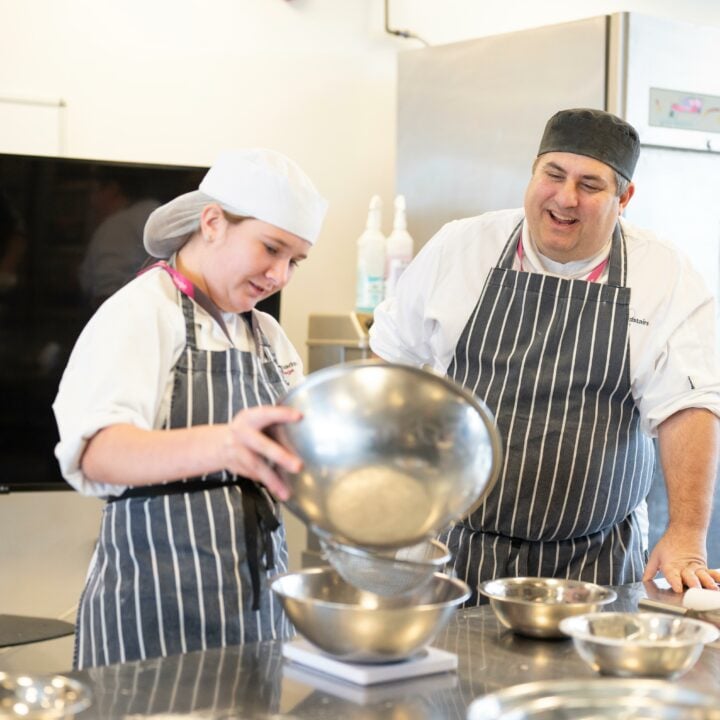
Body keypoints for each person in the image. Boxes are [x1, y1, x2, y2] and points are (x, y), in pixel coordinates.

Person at [369, 108, 720, 603]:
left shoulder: (664, 274)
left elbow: (688, 406)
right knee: (452, 679)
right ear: (533, 173)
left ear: (625, 198)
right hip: (458, 543)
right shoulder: (462, 247)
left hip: (595, 562)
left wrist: (687, 533)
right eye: (553, 175)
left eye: (591, 185)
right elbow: (391, 364)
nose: (565, 198)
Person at [53, 148, 327, 668]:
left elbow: (307, 442)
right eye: (271, 248)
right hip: (152, 623)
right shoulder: (140, 312)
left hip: (254, 616)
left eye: (294, 260)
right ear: (213, 223)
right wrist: (226, 443)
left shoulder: (265, 333)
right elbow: (95, 452)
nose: (280, 276)